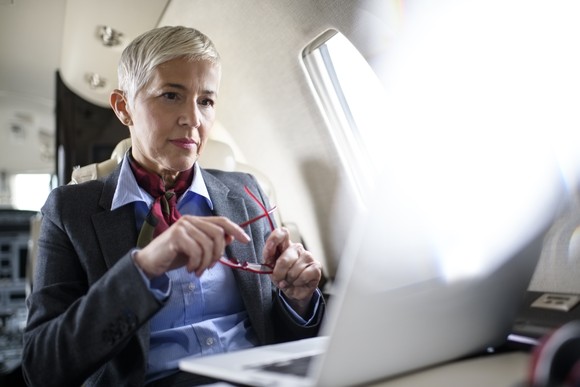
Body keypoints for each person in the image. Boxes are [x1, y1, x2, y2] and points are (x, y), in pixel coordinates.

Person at [22, 26, 325, 387]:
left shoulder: (247, 194)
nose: (193, 119)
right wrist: (145, 269)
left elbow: (278, 336)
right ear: (123, 108)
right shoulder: (70, 210)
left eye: (206, 101)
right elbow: (41, 367)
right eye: (170, 95)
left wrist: (298, 300)